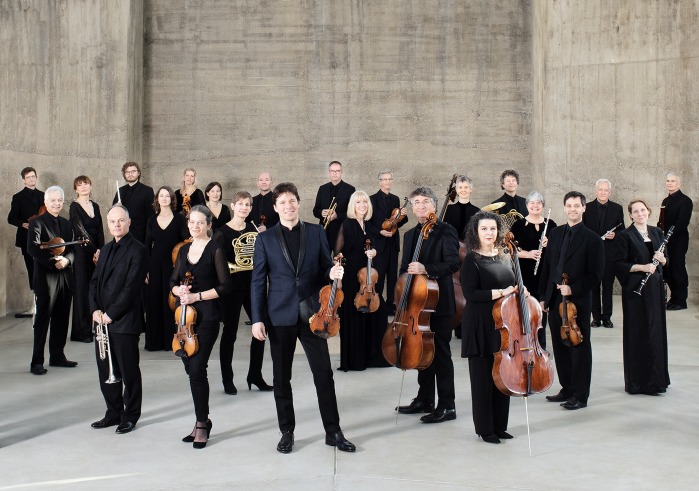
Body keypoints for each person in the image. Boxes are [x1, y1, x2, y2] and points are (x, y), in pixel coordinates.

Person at [251, 182, 356, 454]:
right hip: (279, 316)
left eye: (292, 201)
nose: (288, 206)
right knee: (281, 377)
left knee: (323, 374)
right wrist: (257, 319)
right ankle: (287, 431)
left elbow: (325, 267)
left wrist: (332, 274)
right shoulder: (264, 239)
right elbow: (258, 281)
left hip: (314, 315)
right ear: (275, 208)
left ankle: (333, 431)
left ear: (298, 202)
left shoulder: (315, 232)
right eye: (282, 202)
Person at [396, 187, 461, 423]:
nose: (421, 206)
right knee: (420, 352)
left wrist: (427, 269)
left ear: (434, 205)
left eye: (425, 202)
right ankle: (424, 399)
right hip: (416, 305)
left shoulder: (445, 231)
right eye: (417, 202)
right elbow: (404, 268)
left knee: (441, 354)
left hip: (439, 303)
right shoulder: (410, 234)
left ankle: (447, 405)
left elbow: (453, 263)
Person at [171, 205, 232, 449]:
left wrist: (197, 296)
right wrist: (179, 290)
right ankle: (203, 420)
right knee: (190, 367)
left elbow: (225, 286)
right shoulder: (184, 249)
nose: (195, 226)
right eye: (191, 222)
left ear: (208, 225)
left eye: (200, 223)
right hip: (183, 318)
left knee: (197, 369)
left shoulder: (215, 249)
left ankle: (201, 423)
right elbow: (173, 281)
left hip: (206, 317)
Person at [538, 191, 604, 410]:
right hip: (555, 298)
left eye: (577, 205)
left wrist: (573, 288)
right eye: (569, 205)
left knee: (579, 346)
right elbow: (547, 269)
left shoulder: (593, 239)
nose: (572, 209)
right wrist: (543, 298)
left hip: (578, 301)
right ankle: (566, 388)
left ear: (584, 208)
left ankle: (580, 394)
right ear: (564, 208)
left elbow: (596, 274)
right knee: (560, 345)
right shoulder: (555, 234)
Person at [88, 204, 148, 434]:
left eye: (121, 220)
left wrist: (111, 314)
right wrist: (95, 310)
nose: (116, 225)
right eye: (112, 221)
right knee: (106, 370)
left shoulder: (138, 250)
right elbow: (93, 283)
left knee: (128, 370)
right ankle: (113, 412)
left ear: (129, 222)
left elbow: (131, 288)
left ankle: (130, 415)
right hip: (102, 320)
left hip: (123, 321)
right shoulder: (105, 249)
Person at [460, 211, 516, 443]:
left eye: (493, 229)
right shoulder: (471, 259)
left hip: (503, 324)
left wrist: (520, 292)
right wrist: (502, 293)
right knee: (483, 379)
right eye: (484, 229)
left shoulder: (505, 255)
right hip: (481, 324)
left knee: (503, 376)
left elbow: (513, 283)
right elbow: (470, 294)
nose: (489, 233)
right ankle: (485, 429)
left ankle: (500, 426)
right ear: (476, 232)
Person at [213, 191, 271, 395]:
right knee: (230, 333)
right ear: (233, 205)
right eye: (240, 204)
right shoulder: (221, 232)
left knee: (260, 330)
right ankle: (227, 379)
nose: (244, 208)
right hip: (231, 288)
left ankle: (255, 374)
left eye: (248, 204)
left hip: (254, 285)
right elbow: (216, 263)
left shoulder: (253, 229)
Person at [615, 199, 670, 395]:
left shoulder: (657, 232)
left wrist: (663, 260)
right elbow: (619, 264)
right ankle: (638, 383)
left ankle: (656, 381)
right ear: (630, 215)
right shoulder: (625, 236)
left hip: (654, 291)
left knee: (655, 332)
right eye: (635, 211)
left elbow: (665, 260)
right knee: (638, 333)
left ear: (648, 211)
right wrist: (643, 267)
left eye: (643, 210)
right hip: (635, 292)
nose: (640, 214)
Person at [335, 190, 388, 371]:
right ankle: (353, 360)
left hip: (367, 278)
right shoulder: (347, 224)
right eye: (358, 203)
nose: (362, 206)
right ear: (353, 206)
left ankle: (372, 357)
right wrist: (339, 277)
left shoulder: (369, 225)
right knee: (353, 317)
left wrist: (374, 252)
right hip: (351, 277)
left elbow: (377, 247)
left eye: (365, 202)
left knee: (376, 314)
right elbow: (337, 253)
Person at [27, 186, 77, 375]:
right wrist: (53, 262)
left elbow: (72, 249)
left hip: (64, 277)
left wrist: (66, 260)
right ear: (46, 202)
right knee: (42, 320)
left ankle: (57, 356)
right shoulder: (36, 223)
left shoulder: (66, 224)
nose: (56, 204)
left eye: (59, 200)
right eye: (53, 200)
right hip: (46, 278)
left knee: (62, 318)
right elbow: (33, 249)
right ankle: (36, 361)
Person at [144, 186, 189, 351]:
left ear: (171, 198)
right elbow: (146, 247)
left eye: (167, 196)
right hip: (154, 265)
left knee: (170, 303)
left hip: (173, 266)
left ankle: (170, 341)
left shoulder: (179, 219)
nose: (164, 198)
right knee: (154, 301)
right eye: (161, 196)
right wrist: (146, 270)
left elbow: (186, 242)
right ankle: (154, 342)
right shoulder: (151, 219)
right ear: (157, 199)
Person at [510, 191, 556, 348]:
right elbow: (510, 250)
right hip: (525, 275)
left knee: (542, 313)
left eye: (538, 203)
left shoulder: (551, 225)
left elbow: (559, 251)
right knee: (526, 312)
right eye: (532, 203)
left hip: (545, 275)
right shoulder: (518, 225)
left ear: (542, 205)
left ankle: (541, 347)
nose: (535, 206)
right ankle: (527, 345)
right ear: (527, 205)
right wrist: (528, 254)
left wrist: (550, 244)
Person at [582, 179, 625, 327]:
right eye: (600, 190)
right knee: (594, 286)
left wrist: (616, 235)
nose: (603, 192)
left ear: (609, 192)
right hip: (592, 254)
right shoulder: (586, 208)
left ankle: (607, 317)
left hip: (610, 253)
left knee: (608, 286)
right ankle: (596, 317)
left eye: (606, 190)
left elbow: (622, 230)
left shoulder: (617, 208)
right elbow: (582, 229)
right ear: (596, 191)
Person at [69, 175, 104, 343]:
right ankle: (80, 331)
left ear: (91, 186)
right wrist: (94, 250)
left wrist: (101, 251)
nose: (83, 187)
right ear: (75, 189)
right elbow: (79, 231)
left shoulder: (95, 206)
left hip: (95, 253)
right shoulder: (74, 207)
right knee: (82, 291)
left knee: (94, 290)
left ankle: (91, 327)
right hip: (82, 253)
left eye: (86, 184)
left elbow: (100, 229)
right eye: (80, 185)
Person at [369, 170, 407, 316]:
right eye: (384, 179)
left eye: (389, 179)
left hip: (392, 243)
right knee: (379, 275)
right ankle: (377, 303)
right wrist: (379, 231)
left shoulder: (396, 199)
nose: (387, 182)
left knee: (393, 276)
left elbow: (395, 223)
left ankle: (391, 304)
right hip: (379, 243)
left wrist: (402, 217)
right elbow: (368, 223)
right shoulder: (372, 199)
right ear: (380, 182)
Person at [7, 167, 44, 317]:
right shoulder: (18, 197)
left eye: (33, 176)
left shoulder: (44, 195)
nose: (31, 179)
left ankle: (43, 304)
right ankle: (35, 304)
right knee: (32, 270)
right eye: (28, 177)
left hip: (43, 239)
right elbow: (11, 218)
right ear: (23, 180)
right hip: (26, 238)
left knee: (43, 270)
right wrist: (23, 223)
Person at [659, 172, 693, 310]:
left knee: (677, 269)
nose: (669, 183)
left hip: (678, 241)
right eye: (667, 180)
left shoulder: (685, 201)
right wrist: (658, 234)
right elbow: (661, 222)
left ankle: (681, 301)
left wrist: (668, 237)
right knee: (668, 270)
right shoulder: (665, 201)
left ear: (679, 184)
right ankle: (673, 299)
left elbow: (681, 223)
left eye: (672, 181)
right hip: (666, 240)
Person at [313, 161, 356, 253]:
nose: (335, 173)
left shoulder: (350, 189)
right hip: (324, 232)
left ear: (342, 172)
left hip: (342, 232)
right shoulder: (322, 188)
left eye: (337, 171)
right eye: (332, 171)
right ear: (329, 172)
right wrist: (321, 212)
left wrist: (337, 216)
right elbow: (315, 210)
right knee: (324, 262)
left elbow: (353, 213)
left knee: (340, 262)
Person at [112, 162, 155, 244]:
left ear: (138, 173)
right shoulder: (120, 191)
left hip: (140, 234)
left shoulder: (147, 191)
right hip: (123, 233)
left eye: (133, 171)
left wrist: (149, 236)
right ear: (124, 174)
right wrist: (117, 207)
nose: (130, 174)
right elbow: (113, 213)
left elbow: (151, 216)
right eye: (127, 172)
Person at [443, 175, 480, 240]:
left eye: (466, 187)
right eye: (460, 187)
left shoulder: (477, 211)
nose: (463, 190)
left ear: (470, 189)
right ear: (457, 190)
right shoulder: (449, 209)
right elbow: (444, 230)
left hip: (470, 246)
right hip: (452, 245)